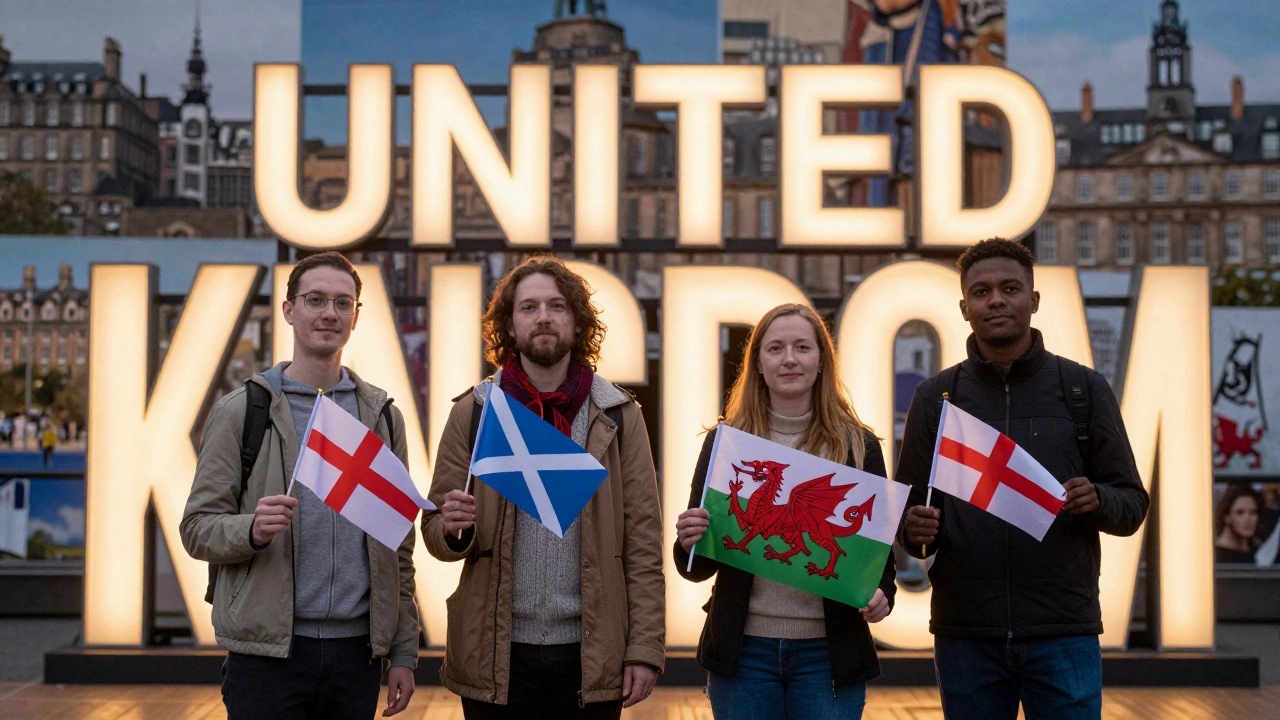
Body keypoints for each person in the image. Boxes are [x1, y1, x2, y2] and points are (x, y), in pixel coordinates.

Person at [898, 238, 1149, 720]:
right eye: (981, 291)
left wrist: (1097, 498)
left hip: (1064, 632)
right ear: (964, 307)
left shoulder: (1082, 389)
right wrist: (913, 530)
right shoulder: (937, 398)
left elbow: (1132, 505)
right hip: (966, 635)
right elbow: (908, 520)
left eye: (1010, 288)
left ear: (1033, 300)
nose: (996, 300)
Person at [422, 255, 665, 719]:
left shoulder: (617, 415)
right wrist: (454, 529)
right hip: (496, 650)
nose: (544, 318)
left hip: (590, 650)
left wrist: (646, 648)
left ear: (577, 321)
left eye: (557, 306)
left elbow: (643, 543)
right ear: (510, 326)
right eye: (529, 307)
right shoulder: (474, 412)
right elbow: (435, 532)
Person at [181, 251, 419, 719]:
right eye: (315, 300)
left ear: (355, 317)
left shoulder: (382, 417)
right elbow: (197, 528)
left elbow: (399, 547)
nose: (330, 313)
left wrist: (405, 652)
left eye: (343, 303)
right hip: (267, 656)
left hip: (357, 656)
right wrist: (250, 530)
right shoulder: (242, 411)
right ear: (289, 310)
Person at [673, 303, 894, 720]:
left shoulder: (858, 446)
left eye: (801, 347)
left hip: (829, 653)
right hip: (744, 654)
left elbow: (879, 561)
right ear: (757, 363)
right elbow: (696, 568)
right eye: (775, 348)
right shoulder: (727, 443)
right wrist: (689, 539)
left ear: (821, 361)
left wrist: (884, 595)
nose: (789, 358)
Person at [1214, 484, 1263, 564]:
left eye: (1253, 512)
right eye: (1240, 513)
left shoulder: (1260, 551)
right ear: (1226, 517)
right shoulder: (1213, 554)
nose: (1248, 519)